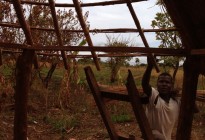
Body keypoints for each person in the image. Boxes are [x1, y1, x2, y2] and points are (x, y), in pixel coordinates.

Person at [142, 56, 180, 140]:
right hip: (152, 137)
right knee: (158, 136)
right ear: (157, 84)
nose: (164, 84)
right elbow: (145, 85)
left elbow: (195, 109)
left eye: (167, 82)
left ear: (171, 85)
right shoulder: (155, 97)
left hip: (167, 138)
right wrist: (150, 66)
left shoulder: (176, 101)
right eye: (161, 81)